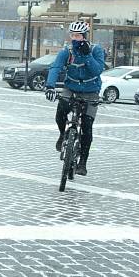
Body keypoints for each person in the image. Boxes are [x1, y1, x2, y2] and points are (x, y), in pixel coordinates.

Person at [44, 20, 106, 176]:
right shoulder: (67, 51)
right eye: (72, 35)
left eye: (78, 36)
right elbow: (56, 67)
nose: (74, 38)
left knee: (87, 126)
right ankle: (62, 134)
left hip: (91, 91)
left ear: (84, 36)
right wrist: (50, 86)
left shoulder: (95, 50)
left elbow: (97, 70)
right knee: (61, 111)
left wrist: (86, 56)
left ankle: (83, 162)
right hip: (71, 88)